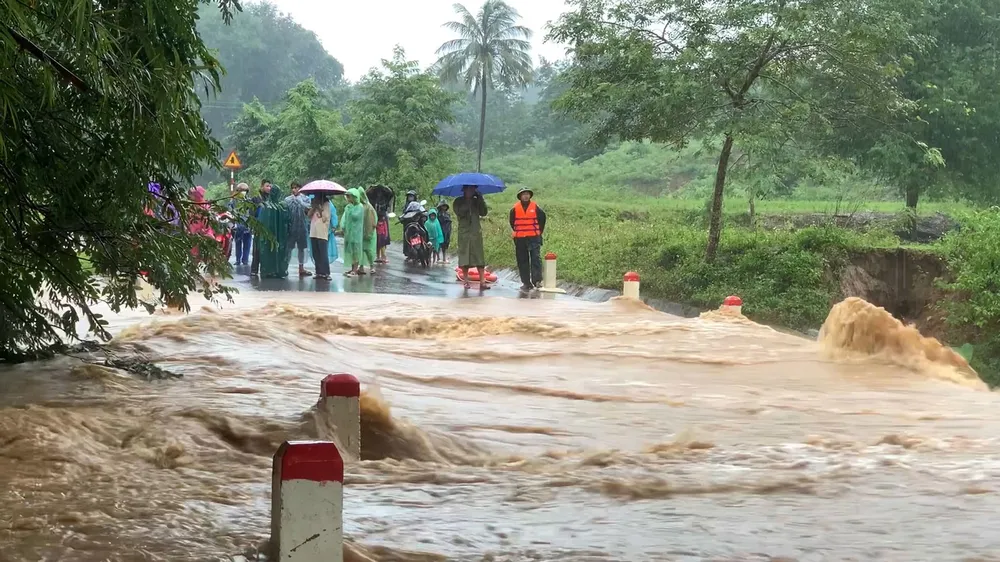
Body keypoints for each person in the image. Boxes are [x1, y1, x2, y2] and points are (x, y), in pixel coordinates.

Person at [509, 187, 547, 291]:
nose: (525, 196)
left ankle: (537, 281)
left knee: (536, 258)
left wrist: (538, 232)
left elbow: (542, 219)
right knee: (522, 260)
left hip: (534, 237)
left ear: (530, 196)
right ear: (520, 197)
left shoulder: (536, 208)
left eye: (527, 194)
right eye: (523, 194)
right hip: (520, 238)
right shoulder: (514, 209)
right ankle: (526, 283)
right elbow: (512, 223)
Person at [453, 185, 489, 291]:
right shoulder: (458, 201)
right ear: (464, 190)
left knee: (479, 257)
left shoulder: (476, 201)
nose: (471, 191)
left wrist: (480, 199)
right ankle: (465, 281)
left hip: (475, 233)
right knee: (464, 257)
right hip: (464, 233)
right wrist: (467, 203)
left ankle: (482, 282)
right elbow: (459, 212)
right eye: (468, 189)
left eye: (473, 189)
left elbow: (484, 212)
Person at [257, 184, 292, 279]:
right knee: (277, 251)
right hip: (279, 236)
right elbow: (288, 221)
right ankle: (278, 270)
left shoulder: (267, 206)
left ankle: (269, 270)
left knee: (269, 251)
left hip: (269, 236)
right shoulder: (281, 206)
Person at [284, 181, 312, 277]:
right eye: (292, 188)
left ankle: (301, 268)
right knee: (289, 248)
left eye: (296, 188)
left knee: (301, 248)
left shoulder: (306, 199)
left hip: (302, 226)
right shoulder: (287, 199)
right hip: (291, 227)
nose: (294, 190)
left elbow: (309, 209)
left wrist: (301, 202)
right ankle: (285, 267)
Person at [250, 179, 272, 277]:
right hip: (259, 227)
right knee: (257, 249)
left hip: (268, 228)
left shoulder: (271, 198)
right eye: (267, 186)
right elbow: (252, 213)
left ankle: (266, 269)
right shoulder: (256, 198)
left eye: (270, 186)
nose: (269, 188)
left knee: (267, 249)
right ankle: (254, 270)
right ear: (262, 186)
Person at [341, 188, 365, 276]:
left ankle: (355, 269)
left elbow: (356, 216)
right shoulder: (348, 207)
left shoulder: (360, 207)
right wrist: (343, 226)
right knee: (350, 251)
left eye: (349, 196)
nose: (347, 198)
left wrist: (350, 210)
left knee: (356, 251)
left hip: (356, 233)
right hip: (349, 233)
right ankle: (352, 269)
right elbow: (345, 218)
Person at [308, 194, 332, 280]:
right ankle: (318, 272)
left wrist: (318, 207)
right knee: (316, 253)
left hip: (322, 232)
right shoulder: (314, 205)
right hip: (313, 231)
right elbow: (309, 215)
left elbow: (325, 218)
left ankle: (326, 272)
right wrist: (313, 207)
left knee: (323, 253)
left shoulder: (326, 204)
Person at [230, 183, 252, 265]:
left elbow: (252, 213)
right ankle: (238, 259)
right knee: (238, 243)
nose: (243, 192)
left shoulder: (249, 201)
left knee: (247, 243)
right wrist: (232, 225)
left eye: (245, 191)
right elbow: (230, 212)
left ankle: (245, 259)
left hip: (247, 225)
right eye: (241, 190)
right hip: (238, 225)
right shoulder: (233, 201)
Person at [358, 188, 378, 274]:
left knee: (369, 250)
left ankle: (372, 266)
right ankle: (361, 266)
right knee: (361, 250)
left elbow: (373, 220)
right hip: (360, 232)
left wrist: (370, 230)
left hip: (369, 232)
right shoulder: (359, 206)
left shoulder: (369, 207)